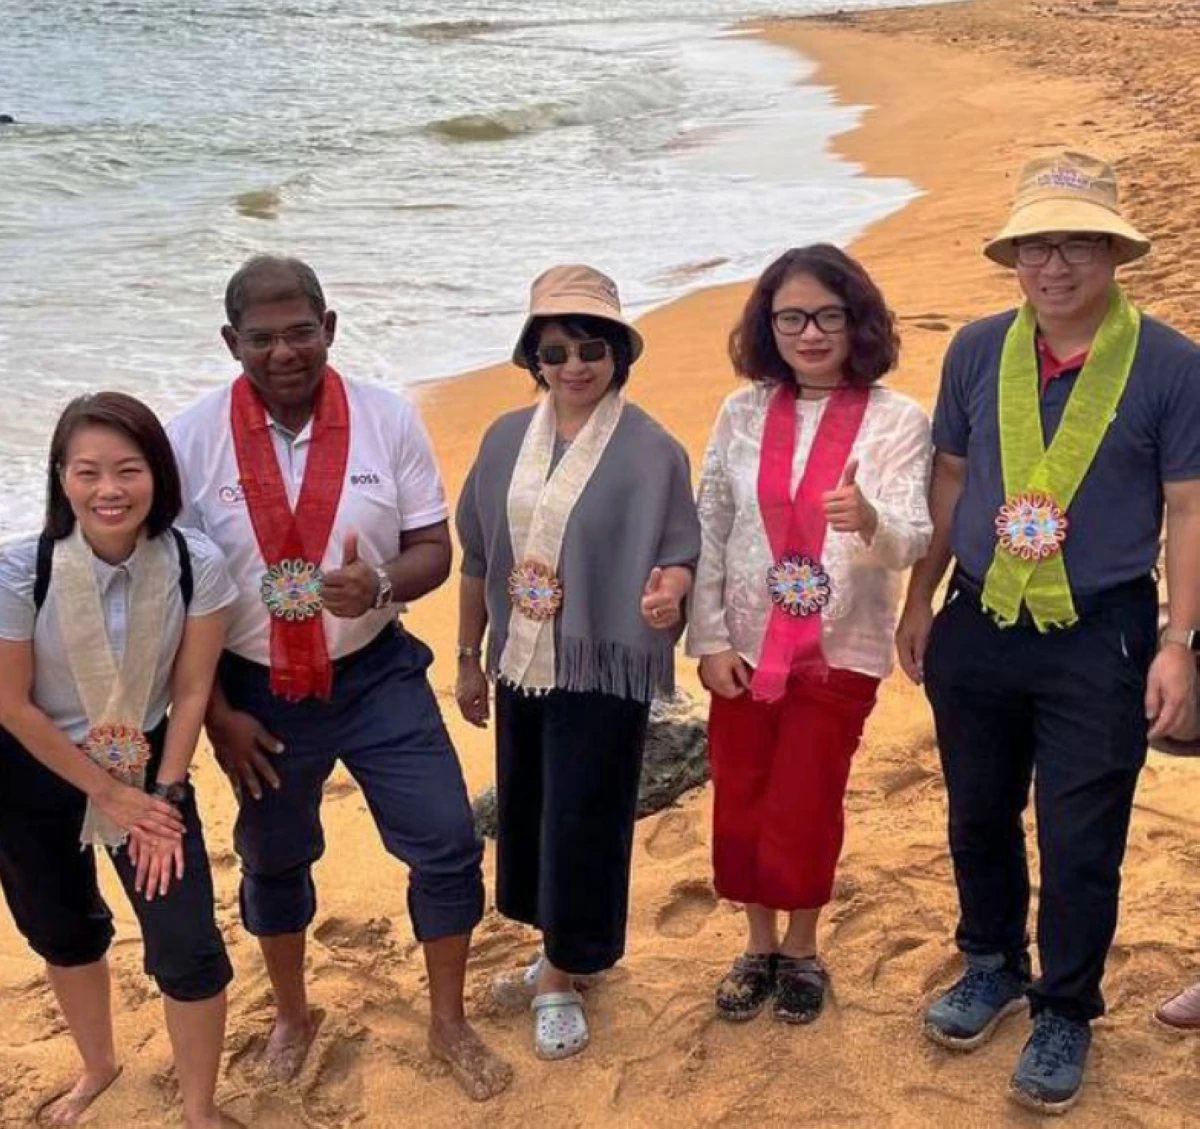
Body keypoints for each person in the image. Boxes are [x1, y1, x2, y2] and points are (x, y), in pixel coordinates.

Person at [894, 151, 1200, 1113]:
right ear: (1014, 254)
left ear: (1113, 251)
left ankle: (1065, 1003)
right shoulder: (978, 348)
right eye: (1036, 244)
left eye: (1075, 243)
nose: (1054, 264)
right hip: (979, 615)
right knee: (977, 810)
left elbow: (1188, 508)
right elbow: (948, 478)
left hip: (1099, 631)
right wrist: (918, 597)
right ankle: (991, 960)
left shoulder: (1171, 363)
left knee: (1081, 833)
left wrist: (1179, 639)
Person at [166, 255, 511, 1101]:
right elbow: (170, 593)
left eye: (300, 331)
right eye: (262, 337)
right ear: (230, 341)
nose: (284, 351)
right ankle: (292, 1013)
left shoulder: (387, 418)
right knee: (274, 859)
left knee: (447, 840)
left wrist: (384, 581)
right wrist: (216, 716)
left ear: (331, 327)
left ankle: (448, 1020)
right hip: (255, 694)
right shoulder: (189, 436)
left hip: (376, 673)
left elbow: (437, 548)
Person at [454, 264, 700, 1060]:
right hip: (520, 657)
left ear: (618, 352)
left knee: (584, 815)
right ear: (535, 358)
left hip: (600, 663)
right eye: (555, 350)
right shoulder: (500, 439)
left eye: (592, 347)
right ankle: (555, 953)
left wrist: (671, 592)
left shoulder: (652, 449)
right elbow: (477, 556)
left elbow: (678, 551)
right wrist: (466, 657)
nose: (575, 365)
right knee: (529, 808)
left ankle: (562, 975)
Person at [687, 244, 932, 1026]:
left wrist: (870, 519)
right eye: (791, 316)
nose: (811, 332)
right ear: (769, 324)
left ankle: (801, 944)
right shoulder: (743, 411)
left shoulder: (898, 419)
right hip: (745, 647)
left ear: (857, 321)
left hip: (839, 649)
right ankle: (756, 941)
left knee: (806, 799)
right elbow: (712, 526)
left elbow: (914, 538)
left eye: (829, 315)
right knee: (742, 796)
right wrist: (710, 637)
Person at [0, 392, 239, 1128]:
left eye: (128, 469)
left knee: (188, 943)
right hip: (34, 767)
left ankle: (199, 1108)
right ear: (61, 478)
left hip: (150, 763)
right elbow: (13, 706)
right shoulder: (19, 568)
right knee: (64, 931)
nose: (109, 490)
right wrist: (108, 794)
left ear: (157, 475)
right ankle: (98, 1066)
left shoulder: (196, 563)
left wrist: (160, 795)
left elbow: (193, 687)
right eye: (87, 471)